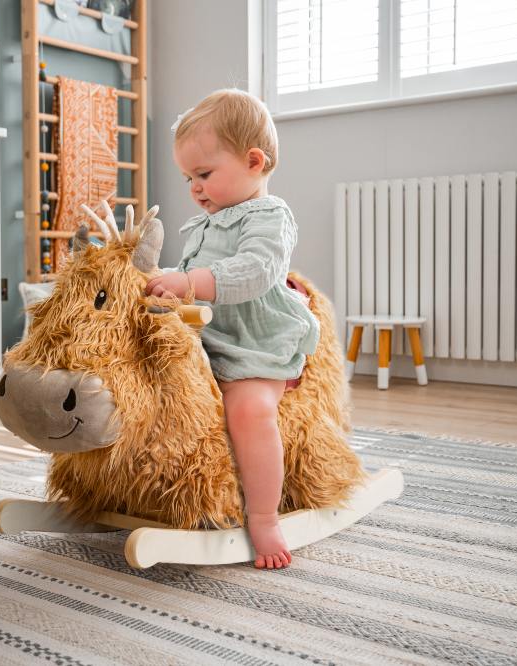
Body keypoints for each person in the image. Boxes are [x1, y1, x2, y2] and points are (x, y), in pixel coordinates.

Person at [145, 89, 319, 569]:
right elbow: (186, 279)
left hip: (253, 345)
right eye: (188, 178)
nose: (194, 188)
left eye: (204, 174)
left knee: (249, 413)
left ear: (254, 161)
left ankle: (264, 517)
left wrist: (190, 282)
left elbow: (254, 272)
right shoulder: (203, 224)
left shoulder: (269, 216)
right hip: (208, 340)